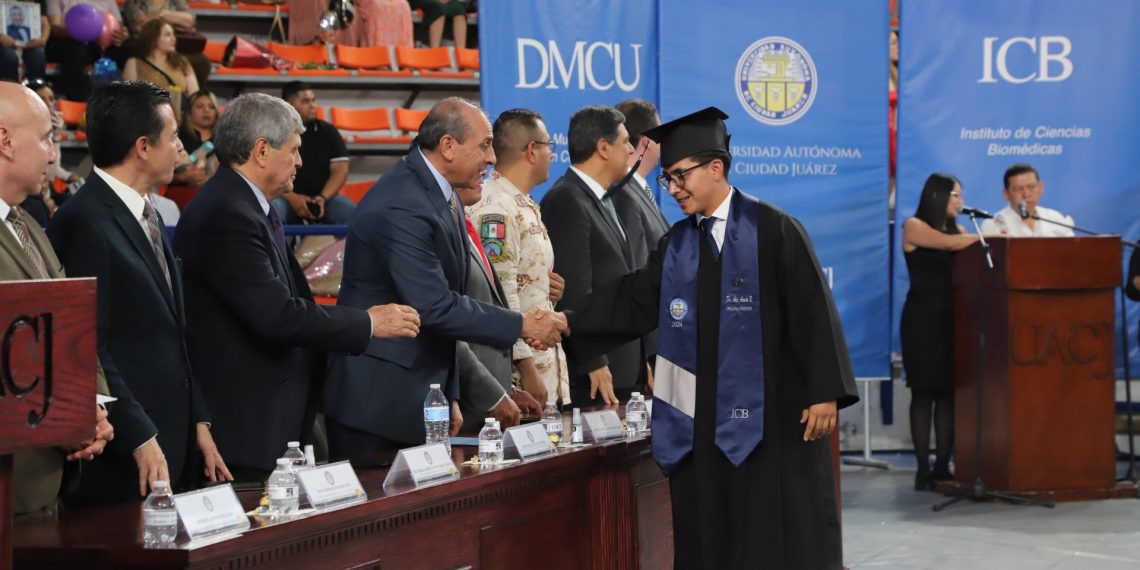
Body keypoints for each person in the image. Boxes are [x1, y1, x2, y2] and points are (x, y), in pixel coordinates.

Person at [562, 107, 858, 569]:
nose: (673, 188)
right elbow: (633, 300)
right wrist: (567, 321)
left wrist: (824, 392)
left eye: (681, 176)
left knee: (776, 531)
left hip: (774, 418)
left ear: (715, 167)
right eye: (667, 179)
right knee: (710, 533)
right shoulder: (678, 245)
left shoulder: (773, 229)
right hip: (700, 425)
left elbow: (812, 311)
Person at [174, 93, 421, 478]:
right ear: (261, 151)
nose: (301, 161)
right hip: (245, 428)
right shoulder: (227, 213)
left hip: (268, 419)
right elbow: (278, 315)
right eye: (293, 150)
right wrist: (369, 322)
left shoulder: (244, 205)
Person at [322, 97, 567, 458]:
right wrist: (521, 324)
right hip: (377, 408)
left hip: (414, 395)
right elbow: (434, 306)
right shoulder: (404, 202)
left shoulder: (437, 193)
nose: (492, 157)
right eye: (484, 145)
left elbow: (441, 311)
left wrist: (448, 392)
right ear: (448, 146)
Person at [47, 80, 231, 504]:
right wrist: (139, 435)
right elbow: (88, 348)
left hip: (172, 437)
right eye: (174, 137)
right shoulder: (84, 222)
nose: (181, 148)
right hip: (125, 455)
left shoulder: (147, 210)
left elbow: (172, 332)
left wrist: (198, 420)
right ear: (143, 147)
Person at [0, 81, 114, 515]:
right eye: (46, 138)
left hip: (47, 488)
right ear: (5, 141)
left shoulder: (29, 224)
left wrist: (91, 408)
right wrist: (62, 420)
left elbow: (70, 330)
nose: (52, 155)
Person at [541, 105, 644, 406]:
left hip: (622, 365)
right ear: (603, 147)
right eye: (625, 141)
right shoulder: (567, 199)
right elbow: (572, 289)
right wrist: (594, 360)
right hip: (594, 377)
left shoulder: (605, 199)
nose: (631, 149)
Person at [467, 108, 570, 407]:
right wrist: (526, 368)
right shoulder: (496, 208)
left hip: (544, 364)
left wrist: (547, 288)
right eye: (549, 146)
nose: (552, 154)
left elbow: (519, 279)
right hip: (517, 377)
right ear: (532, 150)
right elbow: (498, 296)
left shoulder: (520, 202)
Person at [900, 173, 979, 490]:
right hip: (921, 320)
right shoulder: (914, 226)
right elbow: (947, 244)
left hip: (953, 320)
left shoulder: (961, 230)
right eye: (955, 195)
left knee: (947, 394)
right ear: (937, 196)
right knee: (923, 394)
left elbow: (960, 246)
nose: (960, 201)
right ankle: (922, 468)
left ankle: (944, 467)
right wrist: (988, 237)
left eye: (961, 195)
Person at [454, 178, 543, 433]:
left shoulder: (464, 227)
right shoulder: (445, 232)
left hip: (490, 407)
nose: (488, 163)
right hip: (468, 409)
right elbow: (448, 325)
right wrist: (493, 394)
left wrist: (507, 389)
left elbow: (489, 301)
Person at [613, 98, 670, 390]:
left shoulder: (639, 190)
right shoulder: (623, 194)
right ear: (647, 141)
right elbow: (635, 274)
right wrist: (647, 355)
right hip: (644, 352)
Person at [275, 81, 355, 226]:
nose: (312, 105)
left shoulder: (328, 131)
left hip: (324, 199)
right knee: (272, 211)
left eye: (313, 100)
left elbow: (340, 170)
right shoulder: (275, 132)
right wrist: (293, 198)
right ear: (288, 104)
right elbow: (269, 173)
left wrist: (322, 198)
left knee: (355, 216)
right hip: (284, 196)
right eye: (305, 101)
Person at [45, 0, 130, 102]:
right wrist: (79, 31)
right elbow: (55, 28)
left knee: (128, 49)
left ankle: (128, 99)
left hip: (103, 41)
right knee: (75, 51)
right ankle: (80, 102)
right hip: (70, 41)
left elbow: (118, 26)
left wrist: (122, 35)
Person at [122, 18, 199, 126]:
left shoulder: (182, 62)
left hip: (180, 121)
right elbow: (129, 98)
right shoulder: (134, 63)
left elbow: (195, 96)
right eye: (167, 35)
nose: (173, 39)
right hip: (148, 121)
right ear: (153, 39)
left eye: (173, 35)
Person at [121, 0, 210, 88]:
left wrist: (162, 14)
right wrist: (175, 21)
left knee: (201, 61)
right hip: (146, 46)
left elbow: (189, 21)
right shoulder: (135, 2)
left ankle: (197, 95)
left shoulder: (176, 1)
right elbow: (140, 26)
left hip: (176, 46)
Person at [979, 163, 1075, 237]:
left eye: (1032, 187)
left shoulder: (1055, 218)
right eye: (1018, 189)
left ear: (1041, 188)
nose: (1026, 194)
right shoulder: (993, 224)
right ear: (1006, 194)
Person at [0, 2, 47, 82]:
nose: (17, 17)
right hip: (3, 45)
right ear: (10, 16)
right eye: (14, 15)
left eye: (19, 14)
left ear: (23, 16)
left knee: (38, 54)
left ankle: (37, 87)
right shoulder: (8, 28)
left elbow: (45, 23)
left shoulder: (28, 29)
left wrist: (43, 39)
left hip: (31, 45)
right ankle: (11, 87)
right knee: (9, 56)